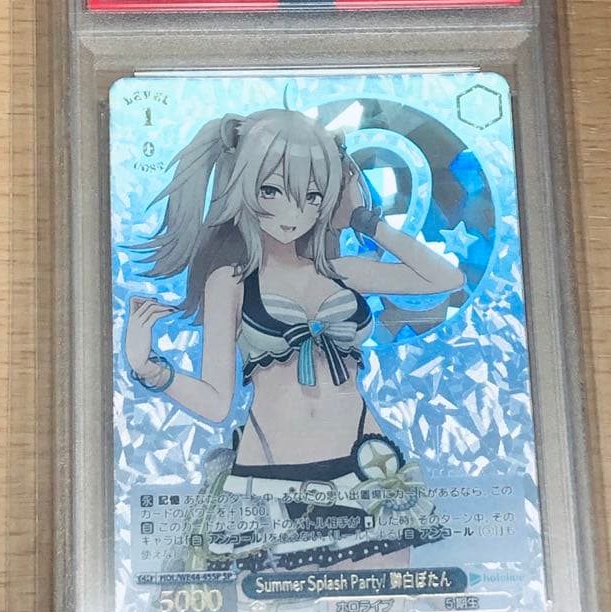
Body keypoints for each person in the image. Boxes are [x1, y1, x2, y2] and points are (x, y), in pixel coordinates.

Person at [124, 108, 464, 572]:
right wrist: (150, 369)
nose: (293, 212)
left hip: (367, 467)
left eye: (312, 194)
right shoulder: (231, 280)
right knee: (279, 606)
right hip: (273, 474)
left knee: (382, 604)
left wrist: (364, 221)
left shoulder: (340, 271)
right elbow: (217, 403)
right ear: (243, 186)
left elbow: (445, 278)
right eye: (271, 190)